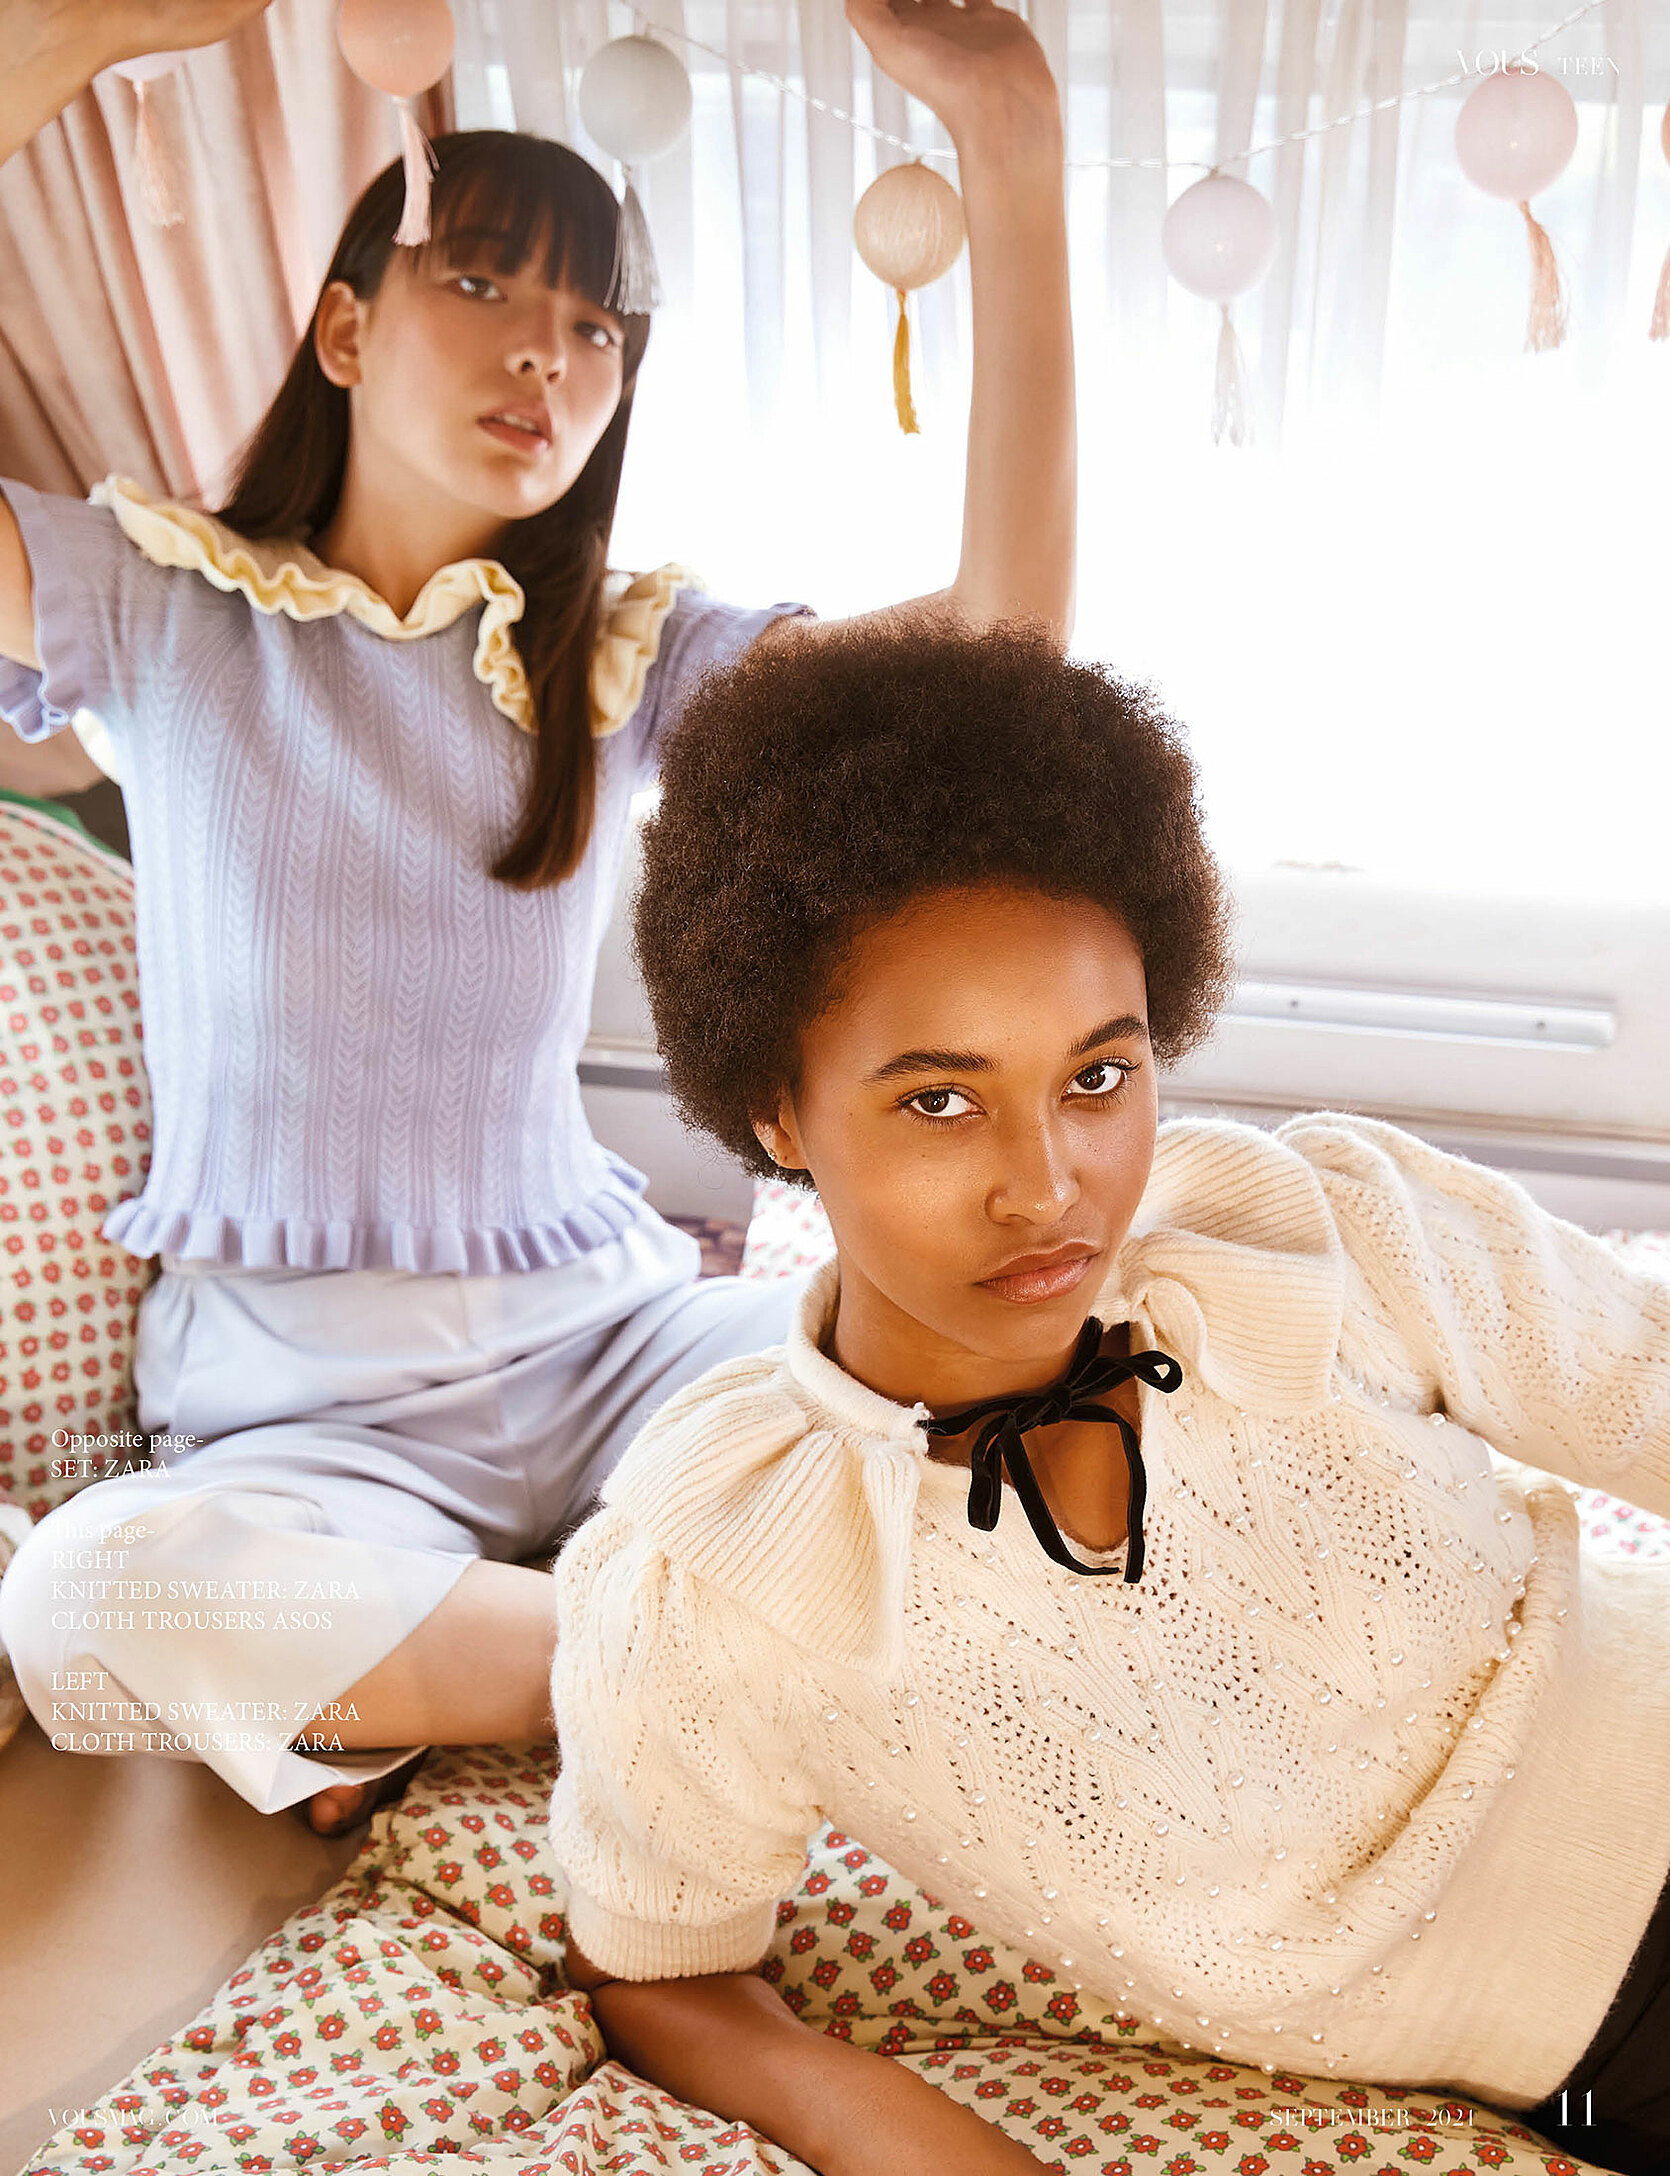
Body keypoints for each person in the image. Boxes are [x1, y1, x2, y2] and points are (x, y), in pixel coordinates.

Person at [0, 0, 1075, 1836]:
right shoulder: (165, 608)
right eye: (487, 287)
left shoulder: (621, 654)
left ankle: (481, 1670)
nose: (548, 359)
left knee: (1029, 1388)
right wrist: (73, 37)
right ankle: (678, 1638)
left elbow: (1001, 660)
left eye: (597, 329)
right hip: (299, 1418)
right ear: (344, 327)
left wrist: (1013, 143)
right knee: (90, 1603)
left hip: (619, 1340)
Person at [547, 620, 1670, 2176]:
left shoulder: (1312, 1224)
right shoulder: (712, 1585)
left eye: (1097, 1076)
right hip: (1609, 2036)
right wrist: (926, 2142)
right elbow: (664, 1971)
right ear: (775, 1112)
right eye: (938, 1100)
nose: (1047, 1186)